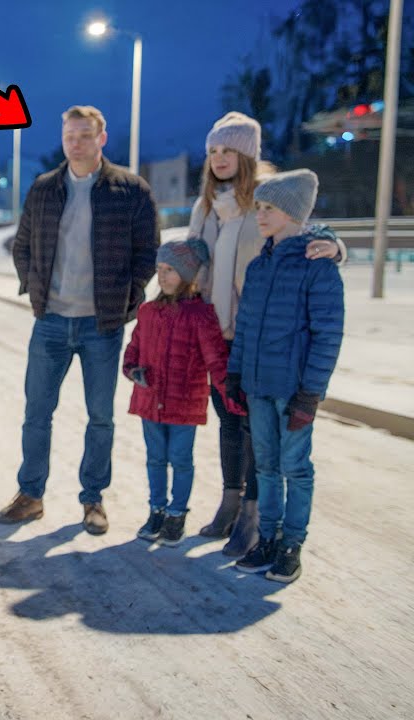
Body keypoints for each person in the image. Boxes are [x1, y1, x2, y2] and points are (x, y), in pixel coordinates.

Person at [187, 112, 344, 557]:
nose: (219, 159)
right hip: (216, 333)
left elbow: (307, 232)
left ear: (248, 155)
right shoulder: (204, 208)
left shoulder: (267, 200)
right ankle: (230, 503)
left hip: (259, 335)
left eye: (228, 150)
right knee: (229, 424)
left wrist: (336, 246)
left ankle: (255, 515)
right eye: (213, 151)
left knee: (260, 432)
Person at [0, 105, 160, 534]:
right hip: (50, 320)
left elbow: (148, 252)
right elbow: (23, 245)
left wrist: (128, 296)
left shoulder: (130, 190)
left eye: (85, 135)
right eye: (70, 135)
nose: (76, 143)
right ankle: (30, 495)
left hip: (101, 325)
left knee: (100, 417)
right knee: (37, 413)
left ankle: (93, 499)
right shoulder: (45, 188)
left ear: (101, 139)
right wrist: (33, 290)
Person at [228, 169, 344, 583]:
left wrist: (310, 393)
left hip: (293, 389)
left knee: (295, 467)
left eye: (269, 208)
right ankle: (268, 538)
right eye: (258, 207)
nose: (259, 215)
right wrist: (236, 371)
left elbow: (327, 335)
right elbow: (245, 326)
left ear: (293, 214)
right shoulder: (260, 266)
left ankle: (292, 543)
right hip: (258, 386)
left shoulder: (318, 267)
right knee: (265, 469)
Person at [123, 238, 243, 546]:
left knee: (180, 459)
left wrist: (231, 396)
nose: (162, 276)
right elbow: (133, 351)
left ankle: (177, 515)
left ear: (188, 275)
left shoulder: (201, 315)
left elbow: (217, 360)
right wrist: (133, 370)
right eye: (160, 269)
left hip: (184, 404)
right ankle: (156, 511)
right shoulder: (148, 312)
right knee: (154, 458)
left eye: (171, 270)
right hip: (149, 400)